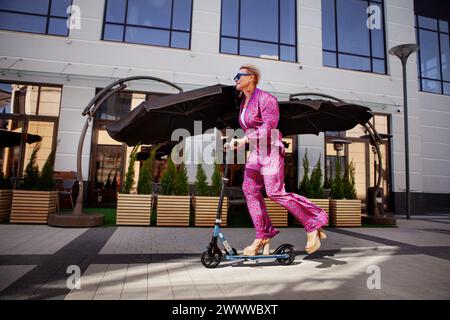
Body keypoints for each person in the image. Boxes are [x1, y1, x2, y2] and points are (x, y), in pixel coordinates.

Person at [224, 64, 328, 256]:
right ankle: (263, 234)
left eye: (239, 75)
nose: (235, 79)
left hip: (271, 151)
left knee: (275, 192)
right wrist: (236, 142)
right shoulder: (243, 103)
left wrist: (245, 139)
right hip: (256, 152)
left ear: (252, 78)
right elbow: (250, 130)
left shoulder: (266, 99)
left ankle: (312, 223)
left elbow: (269, 126)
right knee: (249, 190)